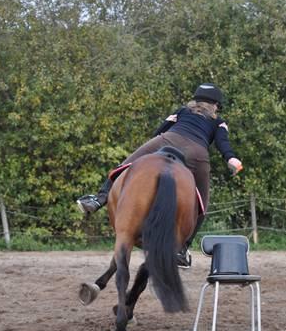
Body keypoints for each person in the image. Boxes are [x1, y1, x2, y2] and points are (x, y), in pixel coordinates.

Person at [76, 83, 243, 267]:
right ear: (216, 105)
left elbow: (160, 130)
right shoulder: (218, 122)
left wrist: (154, 149)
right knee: (201, 204)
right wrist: (231, 159)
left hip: (167, 140)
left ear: (195, 100)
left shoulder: (181, 111)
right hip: (196, 154)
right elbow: (223, 143)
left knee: (124, 166)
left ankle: (98, 200)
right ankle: (182, 249)